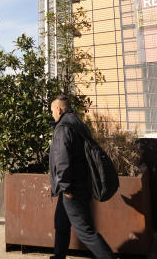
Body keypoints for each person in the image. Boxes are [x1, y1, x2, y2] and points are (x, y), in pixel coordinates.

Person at [49, 95, 114, 259]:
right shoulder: (78, 123)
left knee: (86, 231)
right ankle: (59, 256)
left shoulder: (63, 127)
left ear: (58, 109)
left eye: (52, 111)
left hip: (71, 187)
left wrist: (65, 187)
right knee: (61, 223)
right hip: (80, 183)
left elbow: (62, 159)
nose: (52, 115)